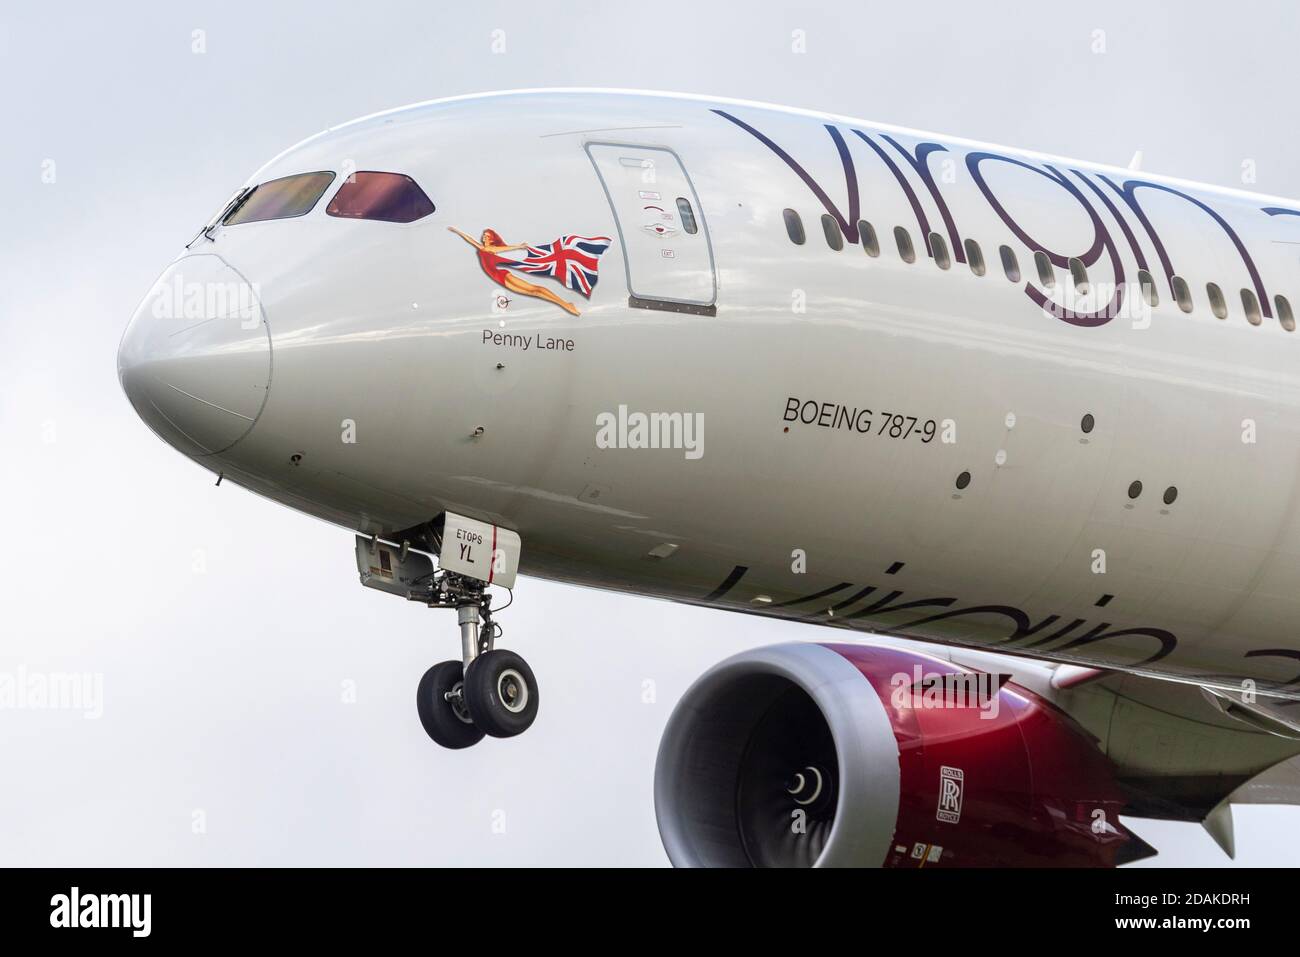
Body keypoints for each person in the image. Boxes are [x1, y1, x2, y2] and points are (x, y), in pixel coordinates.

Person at [447, 226, 581, 316]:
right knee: (534, 292)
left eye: (487, 236)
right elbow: (470, 239)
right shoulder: (482, 248)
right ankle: (565, 304)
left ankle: (566, 305)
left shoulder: (489, 249)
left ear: (492, 239)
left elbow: (502, 249)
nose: (484, 238)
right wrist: (458, 231)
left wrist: (518, 246)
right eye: (484, 236)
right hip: (499, 279)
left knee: (535, 289)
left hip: (503, 275)